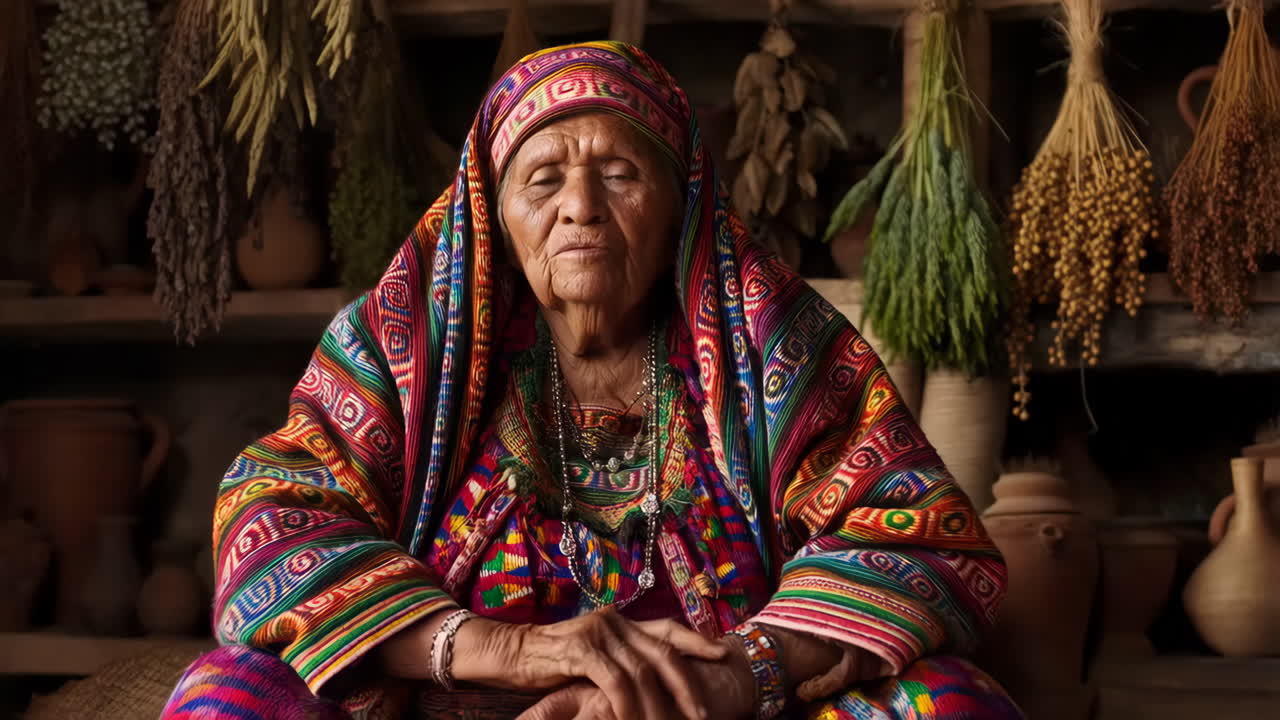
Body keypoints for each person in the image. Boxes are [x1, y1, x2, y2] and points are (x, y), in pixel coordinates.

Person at [162, 41, 1021, 720]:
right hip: (448, 707)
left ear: (680, 203)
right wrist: (507, 651)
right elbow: (268, 519)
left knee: (944, 702)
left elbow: (919, 536)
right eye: (543, 179)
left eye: (619, 174)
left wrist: (739, 676)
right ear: (494, 216)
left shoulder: (770, 348)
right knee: (230, 694)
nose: (580, 206)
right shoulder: (407, 348)